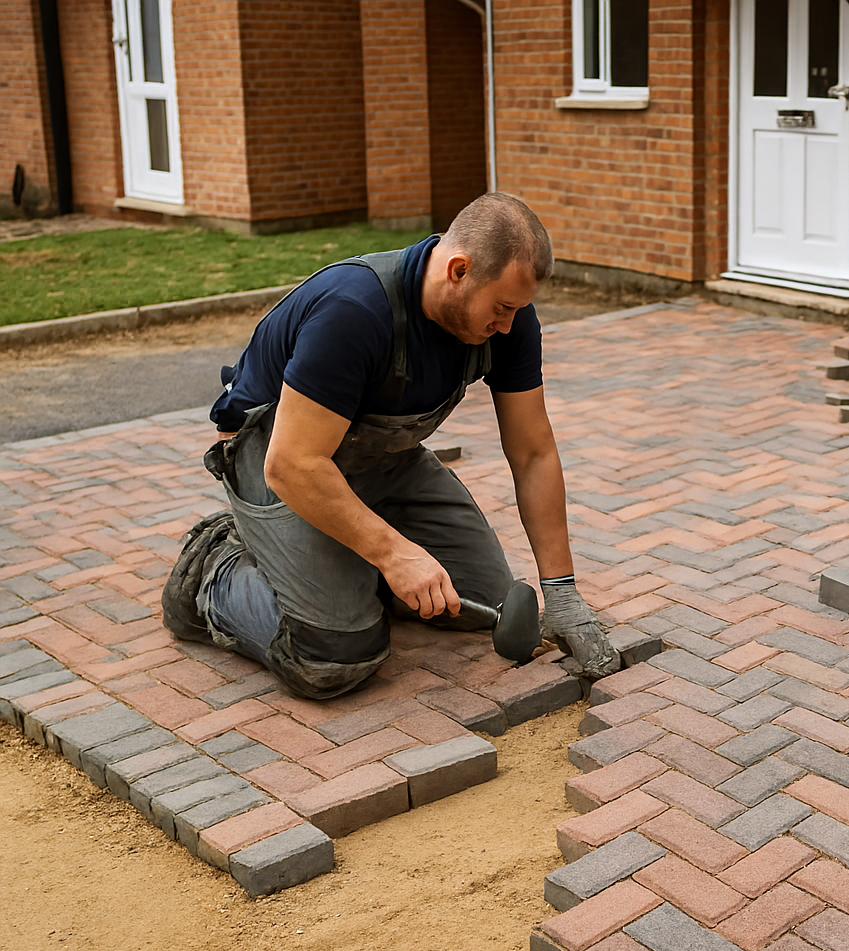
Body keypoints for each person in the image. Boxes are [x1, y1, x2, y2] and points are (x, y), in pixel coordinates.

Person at [160, 192, 619, 699]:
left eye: (517, 310)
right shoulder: (354, 311)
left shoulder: (509, 322)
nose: (508, 325)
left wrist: (561, 590)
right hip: (281, 466)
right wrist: (393, 553)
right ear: (459, 270)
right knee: (335, 654)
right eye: (502, 307)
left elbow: (533, 453)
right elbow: (292, 464)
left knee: (475, 601)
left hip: (381, 462)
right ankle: (215, 570)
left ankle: (338, 566)